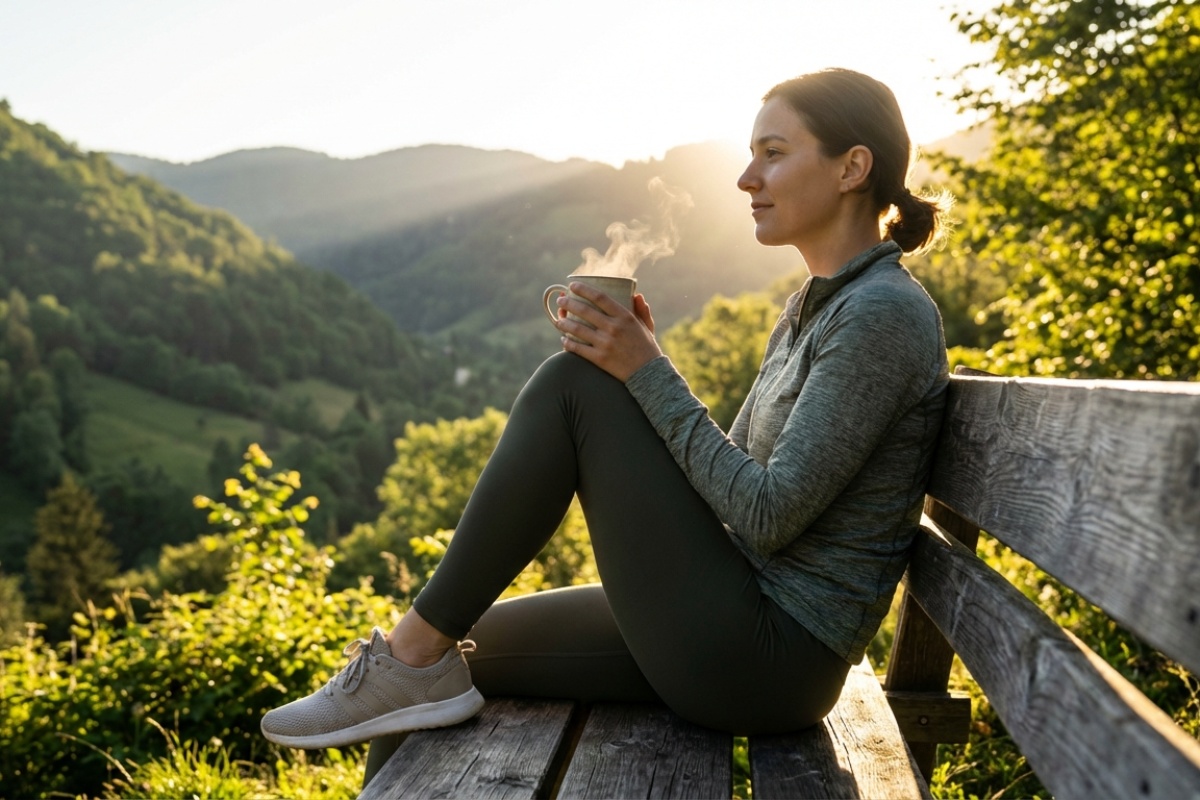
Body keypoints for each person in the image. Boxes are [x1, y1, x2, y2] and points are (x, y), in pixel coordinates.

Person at [261, 67, 952, 748]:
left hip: (772, 658)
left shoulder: (880, 316)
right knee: (444, 660)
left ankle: (401, 659)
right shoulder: (813, 306)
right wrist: (643, 367)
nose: (746, 178)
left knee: (575, 387)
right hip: (736, 615)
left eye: (772, 154)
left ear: (851, 167)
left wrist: (642, 371)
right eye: (749, 155)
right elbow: (729, 483)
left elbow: (767, 516)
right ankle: (405, 665)